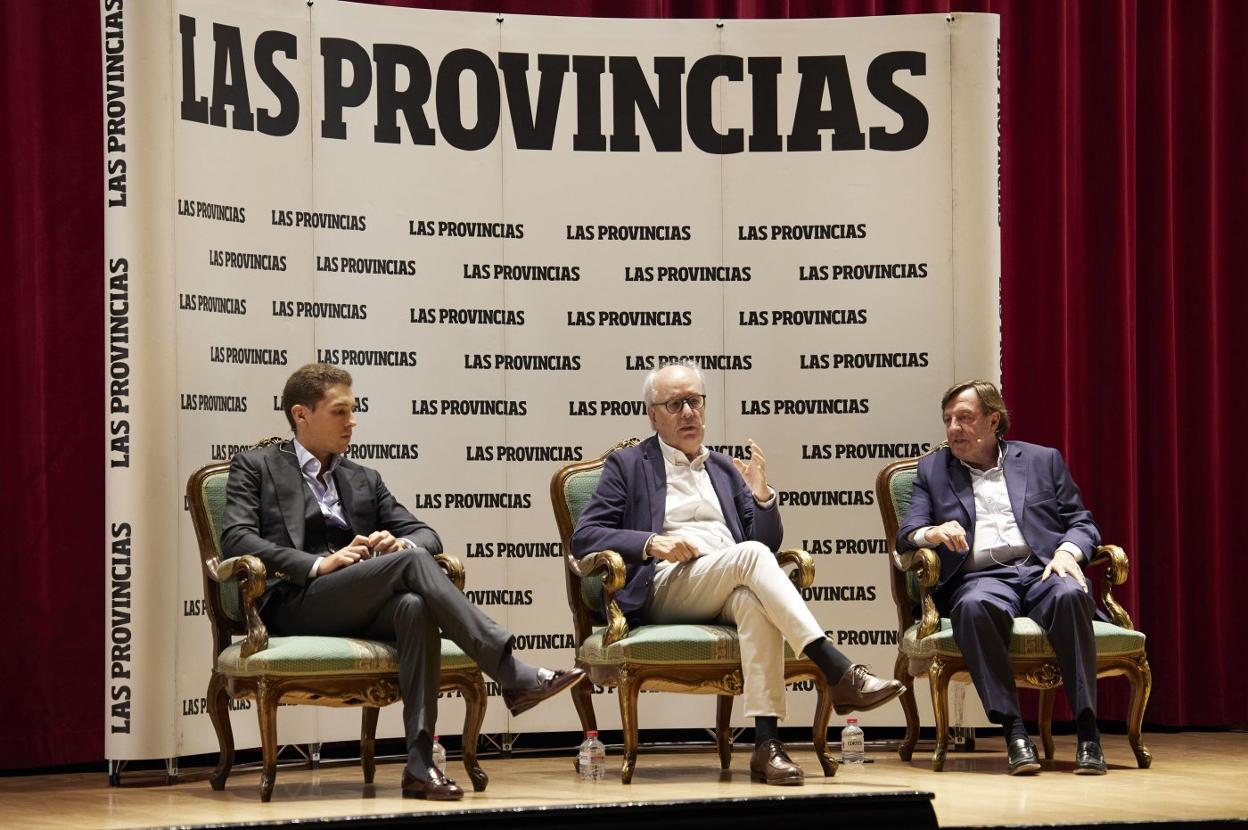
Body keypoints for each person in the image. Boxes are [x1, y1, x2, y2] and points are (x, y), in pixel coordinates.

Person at [220, 363, 585, 800]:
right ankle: (510, 671)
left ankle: (419, 765)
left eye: (354, 412)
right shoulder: (257, 466)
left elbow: (427, 535)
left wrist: (397, 541)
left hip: (355, 601)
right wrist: (319, 564)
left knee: (413, 601)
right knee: (409, 570)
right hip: (295, 600)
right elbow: (236, 538)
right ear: (301, 414)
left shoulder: (363, 479)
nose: (352, 422)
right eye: (340, 412)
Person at [572, 361, 903, 786]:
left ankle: (767, 745)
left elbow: (764, 543)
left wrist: (761, 496)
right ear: (653, 415)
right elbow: (586, 536)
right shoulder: (628, 465)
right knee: (747, 560)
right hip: (665, 585)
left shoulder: (724, 469)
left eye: (695, 401)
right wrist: (653, 543)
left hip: (728, 578)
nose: (688, 411)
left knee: (754, 601)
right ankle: (837, 669)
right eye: (675, 404)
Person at [895, 380, 1107, 775]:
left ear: (993, 420)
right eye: (948, 420)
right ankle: (1014, 733)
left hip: (1042, 568)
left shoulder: (1043, 460)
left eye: (964, 418)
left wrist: (1067, 551)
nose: (954, 429)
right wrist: (933, 533)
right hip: (982, 576)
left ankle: (1088, 732)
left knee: (1071, 594)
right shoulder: (933, 470)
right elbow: (907, 532)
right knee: (974, 607)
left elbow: (1082, 523)